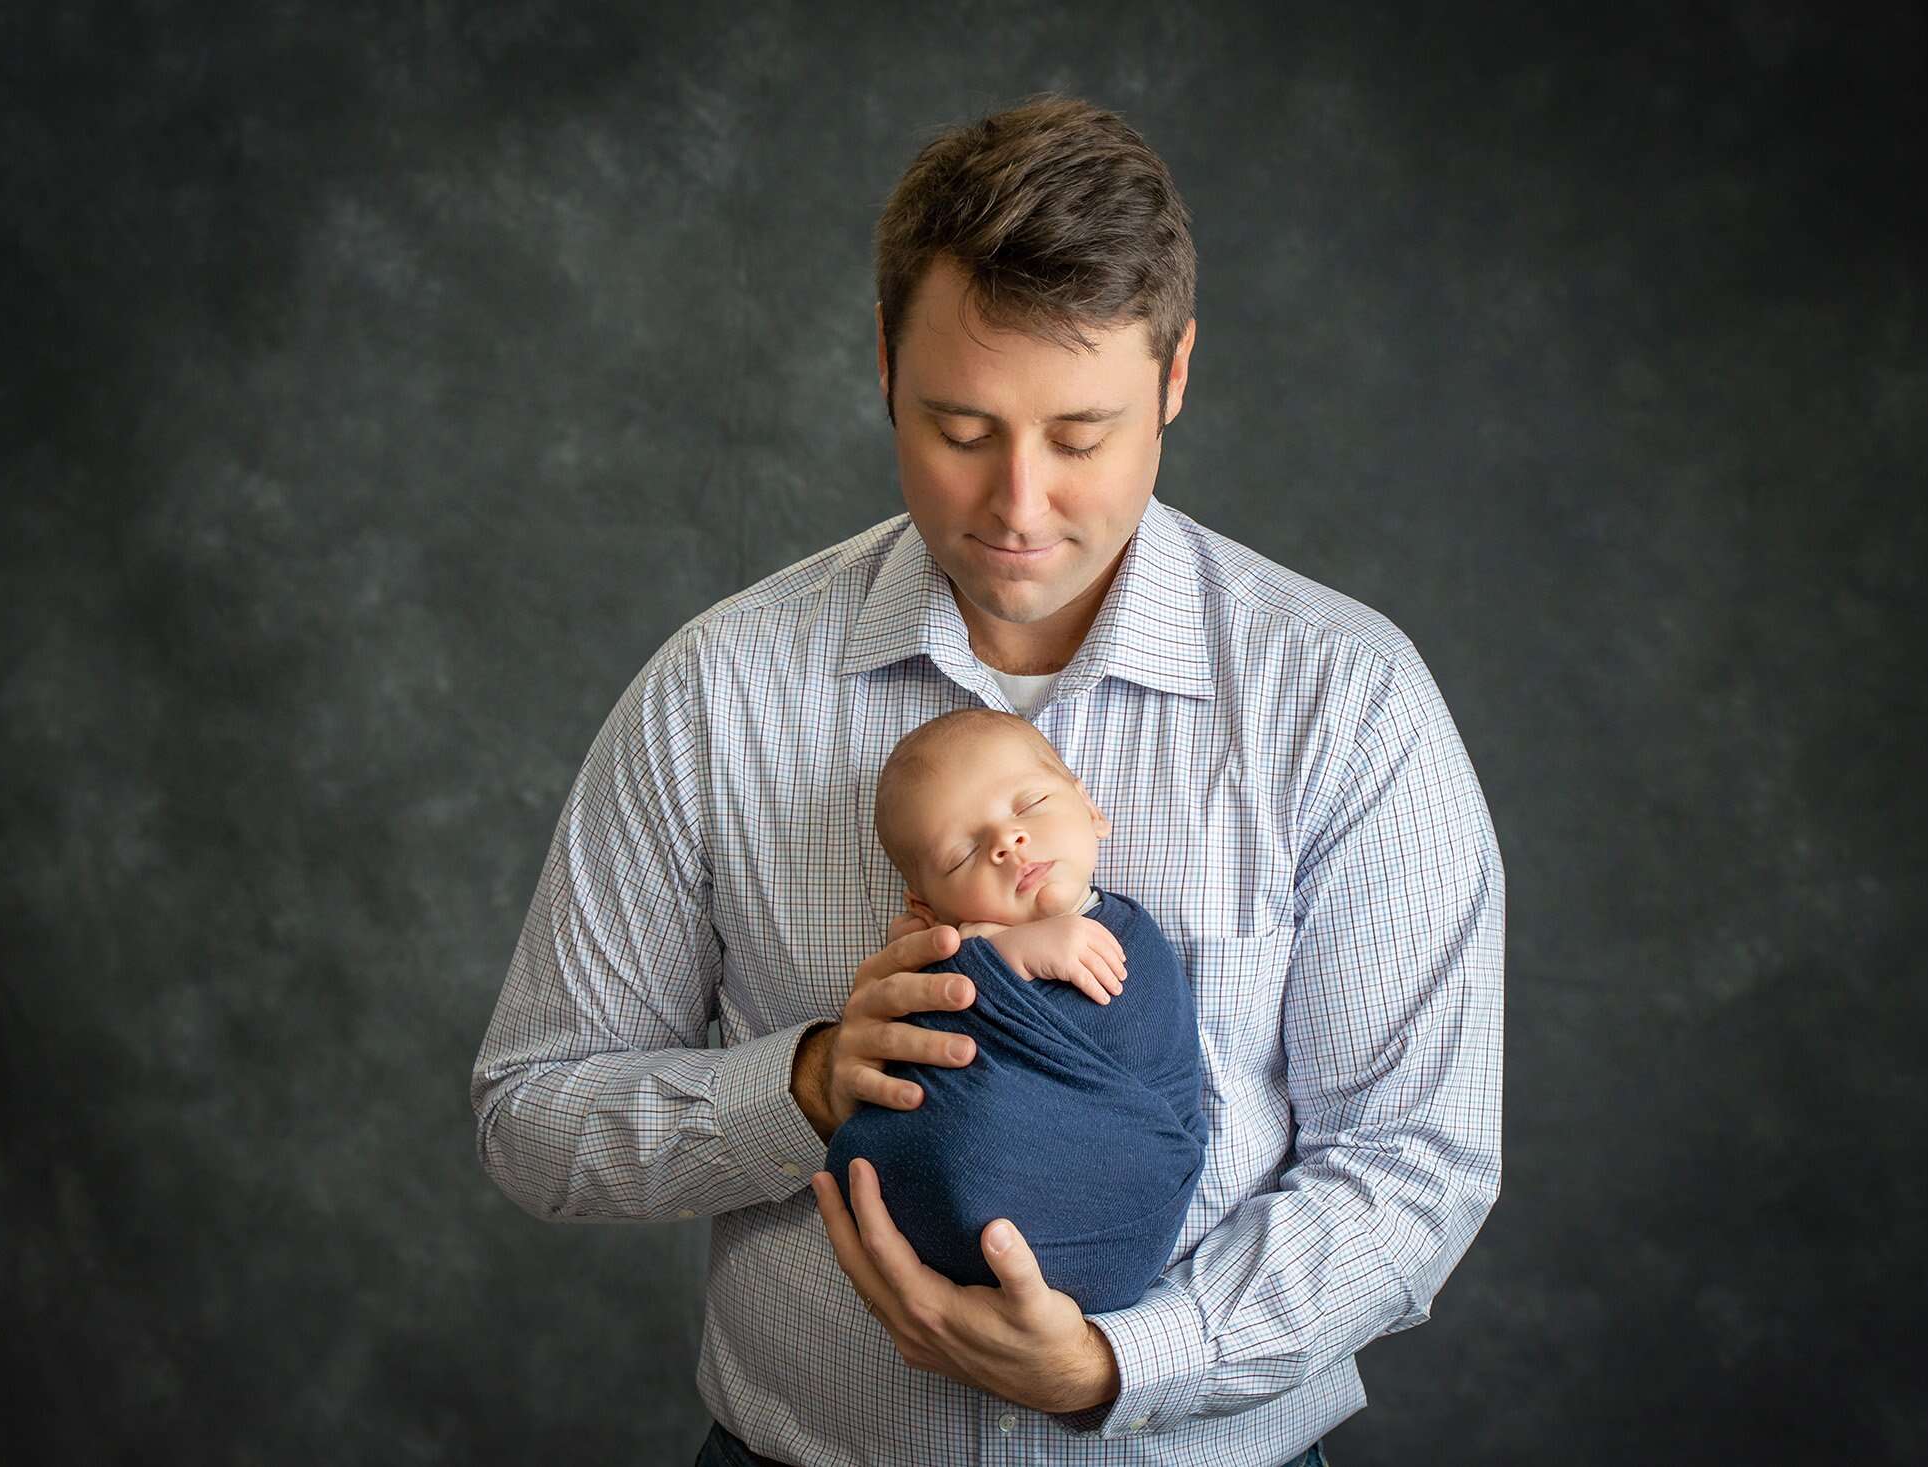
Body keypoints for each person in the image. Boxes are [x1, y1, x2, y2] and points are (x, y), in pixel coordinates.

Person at [469, 92, 1504, 1467]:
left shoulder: (1345, 701)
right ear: (887, 361)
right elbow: (533, 1114)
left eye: (1080, 435)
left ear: (1176, 374)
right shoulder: (719, 692)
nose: (1018, 503)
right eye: (961, 427)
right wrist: (807, 1086)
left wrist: (1125, 1362)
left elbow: (1415, 1162)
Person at [825, 707, 1207, 1314]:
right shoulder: (951, 951)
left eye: (1029, 805)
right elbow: (927, 1044)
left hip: (1117, 1206)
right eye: (960, 857)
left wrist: (993, 961)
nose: (1007, 842)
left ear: (1091, 809)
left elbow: (1136, 1044)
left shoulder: (1131, 935)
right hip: (931, 1229)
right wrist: (972, 959)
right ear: (928, 908)